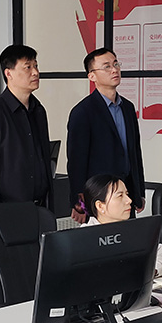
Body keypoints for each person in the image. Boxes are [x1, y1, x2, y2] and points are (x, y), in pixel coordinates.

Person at [66, 48, 145, 223]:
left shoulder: (128, 108)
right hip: (99, 196)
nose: (114, 70)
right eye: (107, 66)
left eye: (116, 64)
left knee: (128, 237)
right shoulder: (83, 112)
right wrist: (78, 202)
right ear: (92, 76)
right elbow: (76, 161)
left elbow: (134, 152)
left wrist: (138, 191)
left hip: (125, 193)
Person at [0, 44, 53, 208]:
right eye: (28, 67)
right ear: (8, 73)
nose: (35, 72)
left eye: (36, 66)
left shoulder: (38, 110)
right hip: (9, 211)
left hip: (41, 208)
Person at [82, 173, 162, 277]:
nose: (129, 200)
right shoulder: (83, 239)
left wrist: (149, 270)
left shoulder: (132, 230)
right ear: (100, 206)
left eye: (127, 194)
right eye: (120, 196)